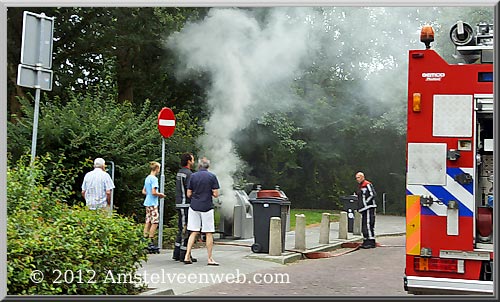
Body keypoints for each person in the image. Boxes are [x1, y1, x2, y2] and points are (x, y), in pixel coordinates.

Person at [183, 157, 220, 266]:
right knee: (208, 233)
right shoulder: (212, 176)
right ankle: (209, 258)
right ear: (208, 166)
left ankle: (187, 255)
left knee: (193, 232)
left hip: (194, 207)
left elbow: (188, 194)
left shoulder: (193, 176)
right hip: (207, 207)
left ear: (199, 165)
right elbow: (216, 194)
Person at [173, 153, 197, 262]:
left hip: (179, 203)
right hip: (185, 204)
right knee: (185, 229)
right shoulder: (189, 174)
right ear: (188, 161)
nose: (194, 161)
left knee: (180, 228)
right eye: (192, 159)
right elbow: (189, 191)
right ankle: (184, 254)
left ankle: (177, 253)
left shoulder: (180, 172)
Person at [142, 161, 166, 249]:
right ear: (157, 169)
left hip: (147, 202)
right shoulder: (154, 179)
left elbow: (144, 191)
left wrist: (149, 194)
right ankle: (150, 240)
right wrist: (161, 195)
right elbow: (154, 192)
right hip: (153, 203)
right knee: (155, 222)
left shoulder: (147, 178)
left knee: (148, 221)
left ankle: (144, 239)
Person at [355, 171, 377, 249]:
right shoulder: (360, 186)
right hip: (363, 209)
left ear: (362, 177)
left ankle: (371, 242)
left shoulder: (367, 184)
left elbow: (372, 194)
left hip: (369, 207)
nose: (357, 179)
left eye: (358, 177)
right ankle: (366, 240)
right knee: (364, 225)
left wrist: (366, 203)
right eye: (356, 178)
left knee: (368, 224)